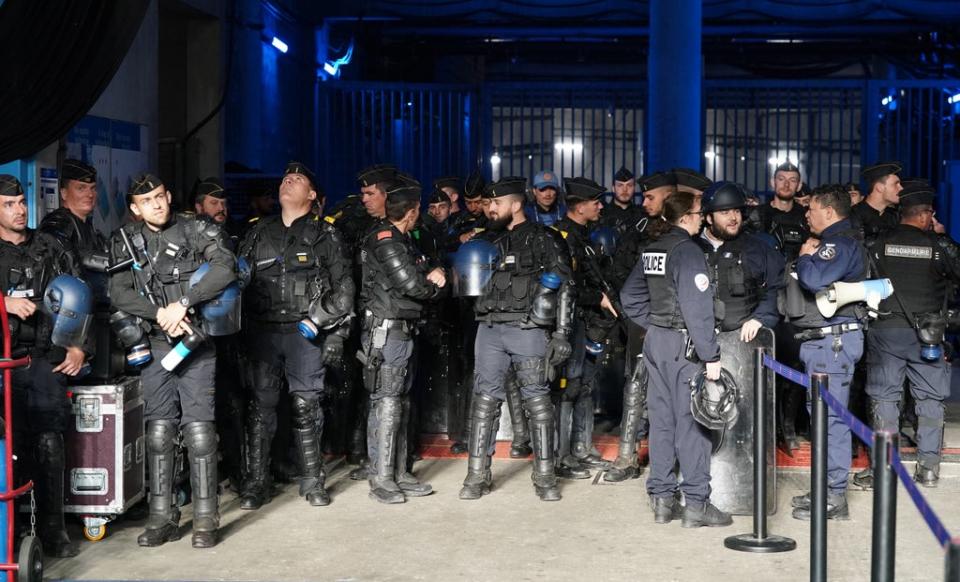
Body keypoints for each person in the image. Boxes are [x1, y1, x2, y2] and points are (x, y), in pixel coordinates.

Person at [109, 173, 237, 548]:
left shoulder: (197, 228)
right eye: (147, 200)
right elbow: (118, 292)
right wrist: (159, 313)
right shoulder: (124, 241)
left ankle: (205, 517)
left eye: (160, 196)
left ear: (169, 195)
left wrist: (184, 303)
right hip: (155, 344)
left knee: (199, 433)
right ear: (135, 208)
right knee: (159, 431)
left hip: (196, 341)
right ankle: (162, 517)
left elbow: (225, 268)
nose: (157, 204)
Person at [236, 162, 354, 511]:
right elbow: (235, 281)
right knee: (261, 409)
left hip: (305, 335)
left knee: (307, 407)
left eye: (298, 179)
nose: (288, 181)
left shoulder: (325, 234)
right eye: (285, 178)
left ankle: (312, 481)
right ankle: (257, 484)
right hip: (263, 334)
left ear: (312, 194)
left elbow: (345, 288)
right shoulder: (258, 232)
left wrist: (321, 321)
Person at [620, 191, 732, 527]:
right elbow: (698, 310)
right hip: (685, 346)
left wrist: (655, 324)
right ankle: (696, 504)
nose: (702, 218)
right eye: (699, 213)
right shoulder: (688, 252)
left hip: (657, 341)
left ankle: (663, 501)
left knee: (662, 421)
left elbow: (629, 296)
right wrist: (710, 355)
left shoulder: (653, 250)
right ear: (685, 217)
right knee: (694, 423)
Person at [460, 176, 575, 502]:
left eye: (495, 203)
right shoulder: (485, 241)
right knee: (483, 402)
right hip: (490, 329)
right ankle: (476, 475)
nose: (489, 209)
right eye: (488, 204)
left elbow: (565, 286)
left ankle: (545, 477)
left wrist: (562, 333)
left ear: (515, 204)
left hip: (528, 329)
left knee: (538, 403)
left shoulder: (544, 238)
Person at [0, 175, 87, 557]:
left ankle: (53, 530)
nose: (19, 210)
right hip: (3, 363)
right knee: (9, 447)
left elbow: (80, 296)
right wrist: (2, 304)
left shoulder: (50, 246)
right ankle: (12, 531)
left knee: (50, 442)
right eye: (8, 204)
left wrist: (79, 348)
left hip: (44, 359)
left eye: (21, 202)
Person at [861, 180, 960, 488]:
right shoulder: (939, 246)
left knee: (885, 400)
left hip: (886, 332)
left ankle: (884, 471)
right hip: (927, 335)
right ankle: (928, 469)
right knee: (930, 402)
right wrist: (942, 238)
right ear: (925, 214)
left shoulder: (877, 243)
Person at [359, 177, 446, 503]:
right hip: (387, 331)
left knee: (401, 403)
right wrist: (435, 283)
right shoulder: (387, 240)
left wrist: (429, 276)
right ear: (412, 211)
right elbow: (413, 285)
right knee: (387, 402)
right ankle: (381, 479)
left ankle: (398, 472)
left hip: (402, 329)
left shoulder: (402, 239)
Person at [786, 185, 867, 521]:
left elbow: (816, 278)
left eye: (812, 209)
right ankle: (825, 489)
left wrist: (806, 256)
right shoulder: (841, 242)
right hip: (824, 344)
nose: (807, 214)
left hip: (832, 344)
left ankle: (834, 496)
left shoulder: (839, 243)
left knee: (831, 420)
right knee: (821, 418)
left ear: (829, 212)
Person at [553, 177, 619, 478]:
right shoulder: (562, 237)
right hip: (570, 323)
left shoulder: (583, 236)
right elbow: (566, 286)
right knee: (568, 388)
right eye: (595, 202)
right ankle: (562, 455)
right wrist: (599, 299)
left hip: (587, 323)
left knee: (584, 386)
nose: (600, 206)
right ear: (579, 207)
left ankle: (581, 448)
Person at [696, 182, 784, 340]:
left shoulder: (757, 248)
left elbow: (776, 287)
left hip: (743, 343)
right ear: (709, 218)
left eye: (736, 211)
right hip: (698, 341)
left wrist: (760, 318)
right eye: (724, 212)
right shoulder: (690, 248)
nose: (733, 218)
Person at [850, 161, 902, 243]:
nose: (901, 188)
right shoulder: (853, 215)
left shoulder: (895, 216)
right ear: (879, 188)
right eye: (896, 184)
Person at [598, 166, 645, 236]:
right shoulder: (601, 213)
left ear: (634, 188)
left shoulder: (642, 214)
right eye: (620, 185)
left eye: (629, 185)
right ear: (613, 188)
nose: (625, 189)